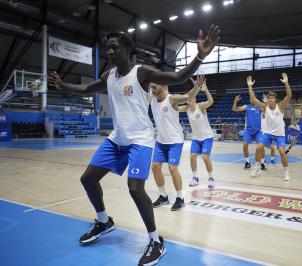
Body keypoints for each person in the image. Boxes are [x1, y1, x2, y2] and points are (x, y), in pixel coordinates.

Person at [48, 25, 220, 266]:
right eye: (107, 49)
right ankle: (103, 221)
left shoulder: (142, 73)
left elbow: (178, 77)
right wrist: (65, 86)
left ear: (128, 49)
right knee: (87, 179)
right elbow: (88, 88)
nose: (109, 52)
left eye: (114, 48)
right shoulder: (109, 76)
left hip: (140, 139)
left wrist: (200, 55)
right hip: (117, 139)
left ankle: (155, 241)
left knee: (135, 188)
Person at [150, 76, 205, 211]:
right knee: (155, 167)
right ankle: (163, 196)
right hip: (160, 141)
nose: (152, 90)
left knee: (172, 168)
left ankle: (180, 198)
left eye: (154, 87)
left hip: (175, 141)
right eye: (151, 87)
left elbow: (187, 96)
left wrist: (197, 87)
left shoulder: (171, 99)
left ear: (163, 86)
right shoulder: (152, 100)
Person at [247, 73, 292, 181]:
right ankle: (257, 167)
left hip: (279, 134)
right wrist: (250, 86)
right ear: (267, 100)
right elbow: (253, 98)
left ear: (275, 99)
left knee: (281, 152)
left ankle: (286, 172)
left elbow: (289, 95)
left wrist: (286, 83)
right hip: (267, 133)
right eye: (269, 98)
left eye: (272, 98)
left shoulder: (280, 106)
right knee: (258, 147)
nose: (270, 99)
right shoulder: (264, 106)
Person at [179, 80, 216, 188]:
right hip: (196, 138)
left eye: (189, 100)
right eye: (187, 101)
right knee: (192, 157)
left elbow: (211, 101)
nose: (187, 102)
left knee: (205, 157)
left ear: (194, 99)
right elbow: (175, 107)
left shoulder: (200, 106)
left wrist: (206, 90)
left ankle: (211, 178)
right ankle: (195, 178)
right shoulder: (186, 109)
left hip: (207, 137)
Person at [231, 95, 265, 170]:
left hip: (258, 131)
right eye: (250, 98)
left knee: (260, 147)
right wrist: (235, 101)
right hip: (248, 131)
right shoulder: (247, 106)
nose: (251, 99)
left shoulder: (260, 107)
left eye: (253, 98)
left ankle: (262, 163)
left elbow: (267, 110)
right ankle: (247, 162)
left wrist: (265, 102)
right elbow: (234, 109)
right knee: (245, 145)